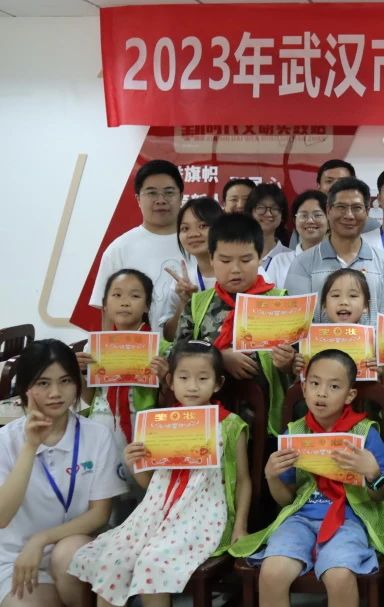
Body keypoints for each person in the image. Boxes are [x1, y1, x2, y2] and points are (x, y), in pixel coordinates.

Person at [68, 341, 251, 607]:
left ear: (218, 383)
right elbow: (151, 485)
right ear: (170, 381)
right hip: (154, 513)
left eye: (203, 378)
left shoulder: (230, 425)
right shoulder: (158, 424)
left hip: (203, 516)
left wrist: (241, 526)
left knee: (152, 563)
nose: (192, 386)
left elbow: (243, 480)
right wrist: (135, 464)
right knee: (111, 561)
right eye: (184, 378)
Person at [229, 350, 384, 607]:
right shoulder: (294, 433)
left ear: (350, 395)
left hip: (349, 520)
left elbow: (380, 495)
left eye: (334, 386)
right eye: (315, 383)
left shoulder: (365, 433)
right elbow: (286, 500)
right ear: (304, 389)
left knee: (339, 576)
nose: (322, 393)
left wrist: (372, 473)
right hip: (300, 520)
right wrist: (272, 477)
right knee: (272, 573)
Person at [0, 340, 126, 606]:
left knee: (68, 551)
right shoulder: (6, 440)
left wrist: (42, 539)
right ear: (24, 388)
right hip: (17, 558)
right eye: (43, 383)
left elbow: (100, 514)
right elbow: (2, 517)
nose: (56, 393)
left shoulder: (97, 435)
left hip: (75, 550)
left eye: (65, 381)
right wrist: (30, 446)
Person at [174, 213, 291, 434]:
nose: (235, 269)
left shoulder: (280, 302)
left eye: (246, 260)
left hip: (266, 420)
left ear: (259, 258)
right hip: (206, 421)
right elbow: (178, 354)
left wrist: (288, 362)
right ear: (211, 259)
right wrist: (219, 357)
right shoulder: (198, 304)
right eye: (225, 261)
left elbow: (299, 365)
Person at [286, 178, 384, 326]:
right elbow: (297, 323)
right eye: (341, 207)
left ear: (367, 211)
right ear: (328, 210)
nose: (349, 215)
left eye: (357, 207)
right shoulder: (302, 263)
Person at [75, 269, 164, 456]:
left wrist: (165, 378)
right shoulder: (94, 347)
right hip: (101, 426)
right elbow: (89, 398)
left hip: (142, 427)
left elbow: (167, 402)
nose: (125, 302)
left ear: (147, 305)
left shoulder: (160, 348)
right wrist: (76, 372)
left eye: (135, 296)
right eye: (117, 295)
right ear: (105, 305)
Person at [90, 159, 186, 331]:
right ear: (138, 199)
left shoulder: (196, 243)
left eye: (169, 192)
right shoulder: (119, 249)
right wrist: (106, 346)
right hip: (136, 347)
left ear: (181, 197)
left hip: (192, 346)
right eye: (152, 193)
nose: (161, 200)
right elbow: (107, 311)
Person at [160, 197, 224, 339]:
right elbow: (169, 336)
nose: (193, 234)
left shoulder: (245, 274)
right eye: (185, 228)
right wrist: (184, 302)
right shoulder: (183, 281)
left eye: (203, 226)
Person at [262, 190, 329, 290]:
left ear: (329, 220)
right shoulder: (280, 261)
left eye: (317, 215)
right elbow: (268, 296)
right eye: (303, 215)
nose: (310, 220)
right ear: (294, 221)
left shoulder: (337, 260)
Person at [246, 183, 292, 264]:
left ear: (282, 215)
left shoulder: (292, 258)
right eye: (261, 207)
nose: (268, 214)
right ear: (251, 213)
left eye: (275, 208)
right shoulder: (238, 254)